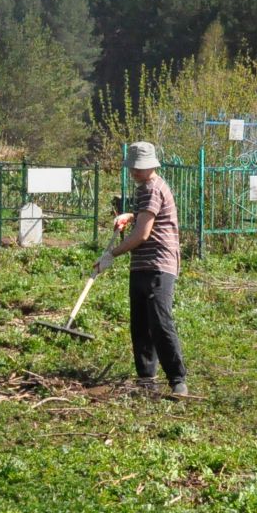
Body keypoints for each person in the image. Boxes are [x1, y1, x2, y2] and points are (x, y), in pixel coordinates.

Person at [92, 141, 188, 397]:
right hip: (142, 263)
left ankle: (177, 379)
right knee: (141, 322)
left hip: (159, 262)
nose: (134, 171)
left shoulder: (151, 188)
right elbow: (147, 217)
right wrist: (130, 215)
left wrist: (112, 253)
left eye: (139, 167)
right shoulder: (147, 188)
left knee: (159, 320)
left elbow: (143, 234)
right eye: (132, 167)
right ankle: (146, 378)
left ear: (151, 166)